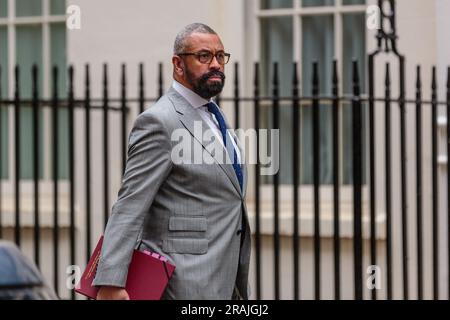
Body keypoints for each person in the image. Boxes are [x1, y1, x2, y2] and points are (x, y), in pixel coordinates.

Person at [93, 23, 251, 300]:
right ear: (178, 64)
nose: (215, 64)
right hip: (184, 283)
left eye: (220, 56)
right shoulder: (159, 121)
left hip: (228, 280)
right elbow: (130, 204)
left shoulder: (214, 116)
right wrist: (111, 282)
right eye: (204, 56)